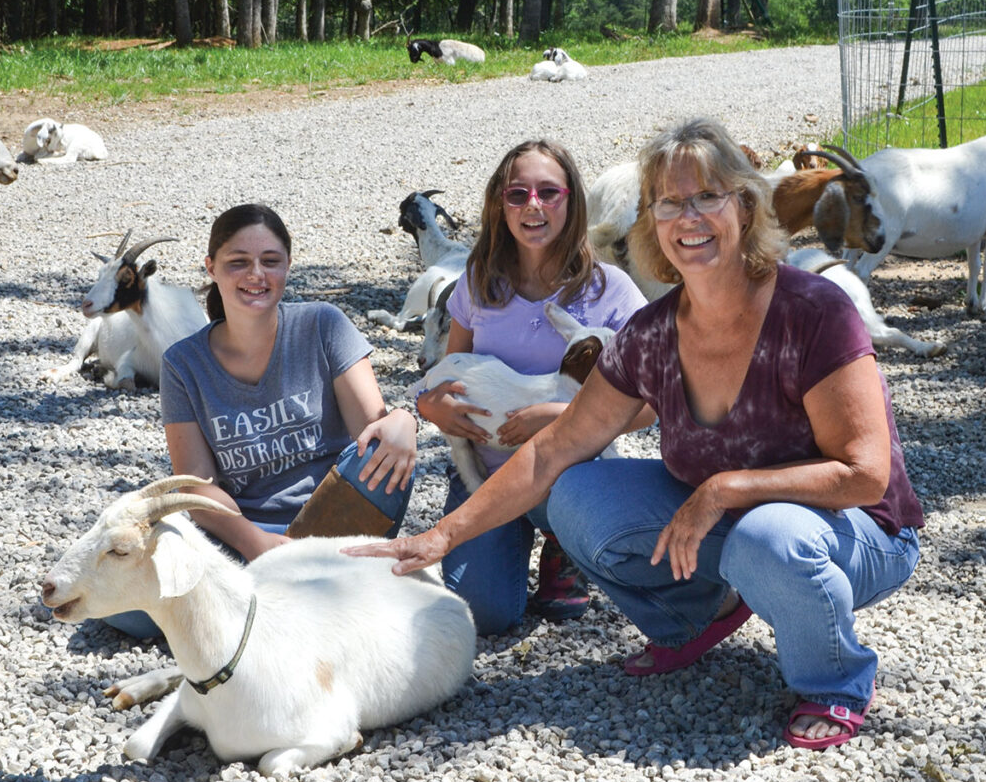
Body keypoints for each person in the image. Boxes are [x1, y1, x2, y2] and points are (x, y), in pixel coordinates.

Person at [346, 118, 923, 750]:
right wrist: (438, 536)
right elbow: (554, 449)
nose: (689, 216)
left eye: (707, 195)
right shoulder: (653, 332)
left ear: (747, 204)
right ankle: (692, 620)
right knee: (575, 494)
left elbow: (865, 475)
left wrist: (723, 489)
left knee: (768, 537)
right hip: (736, 522)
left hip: (857, 531)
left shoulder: (814, 310)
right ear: (650, 222)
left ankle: (836, 681)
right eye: (669, 202)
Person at [106, 202, 417, 638]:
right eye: (238, 263)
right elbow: (198, 485)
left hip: (336, 517)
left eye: (270, 261)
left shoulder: (323, 326)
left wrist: (404, 420)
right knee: (123, 606)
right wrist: (262, 547)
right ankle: (298, 592)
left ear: (288, 265)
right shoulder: (183, 363)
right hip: (243, 531)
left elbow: (373, 431)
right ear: (211, 268)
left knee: (391, 452)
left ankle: (276, 596)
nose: (256, 275)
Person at [413, 139, 649, 635]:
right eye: (518, 194)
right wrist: (429, 407)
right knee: (488, 616)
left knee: (586, 505)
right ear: (500, 204)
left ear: (572, 200)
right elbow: (451, 368)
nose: (533, 205)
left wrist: (567, 419)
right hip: (488, 469)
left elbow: (652, 405)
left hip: (567, 471)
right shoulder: (478, 282)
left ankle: (565, 543)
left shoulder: (613, 292)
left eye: (549, 192)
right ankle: (507, 533)